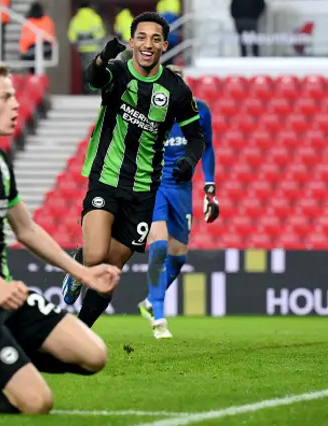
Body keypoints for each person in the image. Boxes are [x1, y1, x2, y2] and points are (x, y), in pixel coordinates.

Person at [0, 64, 121, 415]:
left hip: (8, 297)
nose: (16, 104)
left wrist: (84, 273)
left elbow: (26, 229)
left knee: (94, 356)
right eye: (6, 96)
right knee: (37, 403)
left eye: (14, 96)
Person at [61, 12, 207, 329]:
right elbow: (93, 78)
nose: (148, 44)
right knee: (97, 256)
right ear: (132, 42)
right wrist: (101, 58)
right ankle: (80, 262)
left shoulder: (176, 90)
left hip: (143, 191)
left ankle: (80, 331)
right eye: (141, 37)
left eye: (155, 39)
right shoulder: (116, 73)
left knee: (111, 268)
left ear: (164, 45)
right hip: (106, 178)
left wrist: (188, 161)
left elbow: (197, 138)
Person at [138, 65, 219, 339]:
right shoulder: (149, 112)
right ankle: (159, 318)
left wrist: (210, 186)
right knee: (158, 246)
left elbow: (206, 147)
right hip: (155, 185)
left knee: (179, 255)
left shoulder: (200, 111)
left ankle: (149, 301)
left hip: (182, 189)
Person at [67, 2, 106, 94]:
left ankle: (86, 89)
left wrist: (78, 42)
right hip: (94, 48)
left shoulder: (75, 19)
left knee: (85, 69)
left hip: (82, 49)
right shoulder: (95, 18)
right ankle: (94, 89)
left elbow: (72, 36)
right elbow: (101, 34)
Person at [19, 2, 55, 74]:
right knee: (35, 59)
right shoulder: (47, 20)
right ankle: (35, 77)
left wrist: (23, 51)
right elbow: (51, 35)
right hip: (46, 46)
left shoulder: (29, 22)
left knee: (30, 59)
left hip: (33, 47)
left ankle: (33, 77)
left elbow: (24, 38)